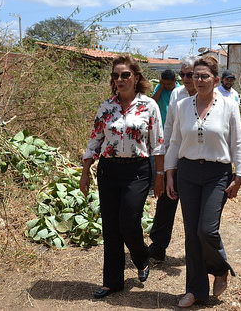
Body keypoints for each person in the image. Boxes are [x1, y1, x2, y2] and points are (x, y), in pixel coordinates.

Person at [164, 55, 241, 308]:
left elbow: (236, 142)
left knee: (206, 230)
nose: (197, 80)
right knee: (191, 234)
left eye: (204, 76)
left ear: (216, 79)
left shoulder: (229, 105)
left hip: (217, 173)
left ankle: (220, 268)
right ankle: (195, 290)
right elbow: (175, 141)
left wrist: (240, 175)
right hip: (187, 172)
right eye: (193, 76)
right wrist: (169, 173)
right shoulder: (182, 105)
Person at [79, 54, 165, 299]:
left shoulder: (149, 106)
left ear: (136, 77)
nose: (120, 79)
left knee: (128, 222)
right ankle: (112, 282)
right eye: (116, 75)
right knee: (111, 228)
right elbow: (94, 141)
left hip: (137, 171)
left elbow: (158, 144)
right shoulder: (107, 107)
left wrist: (159, 176)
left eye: (125, 74)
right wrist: (85, 173)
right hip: (109, 171)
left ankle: (141, 257)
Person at [148, 56, 198, 262]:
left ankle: (197, 251)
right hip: (175, 157)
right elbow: (168, 127)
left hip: (196, 160)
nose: (186, 78)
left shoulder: (210, 96)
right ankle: (158, 247)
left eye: (190, 74)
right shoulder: (177, 94)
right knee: (166, 204)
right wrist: (165, 158)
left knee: (194, 210)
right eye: (183, 74)